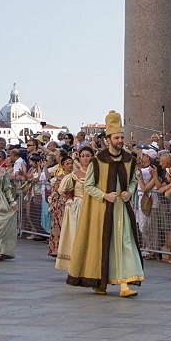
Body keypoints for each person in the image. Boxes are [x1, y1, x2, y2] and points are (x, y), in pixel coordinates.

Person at [66, 111, 143, 297]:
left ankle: (125, 284)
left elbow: (133, 180)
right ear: (108, 139)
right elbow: (89, 186)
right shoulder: (97, 160)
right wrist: (103, 196)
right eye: (117, 137)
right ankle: (100, 281)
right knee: (103, 244)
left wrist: (130, 192)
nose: (120, 140)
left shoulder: (129, 160)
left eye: (122, 137)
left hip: (122, 209)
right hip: (102, 211)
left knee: (125, 243)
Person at [55, 147, 94, 272]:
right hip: (78, 206)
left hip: (93, 206)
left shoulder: (97, 173)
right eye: (83, 156)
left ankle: (90, 263)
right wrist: (69, 199)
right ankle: (75, 263)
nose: (85, 158)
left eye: (88, 155)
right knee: (77, 234)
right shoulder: (74, 175)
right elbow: (66, 190)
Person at [48, 154, 74, 258]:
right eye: (68, 164)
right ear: (63, 166)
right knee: (60, 228)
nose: (70, 165)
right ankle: (57, 250)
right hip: (60, 205)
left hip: (72, 204)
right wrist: (54, 207)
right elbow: (55, 193)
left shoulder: (75, 176)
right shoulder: (59, 178)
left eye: (71, 163)